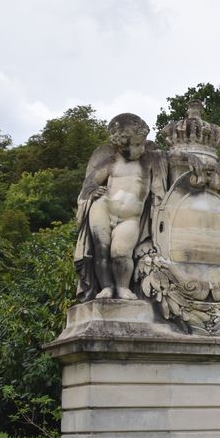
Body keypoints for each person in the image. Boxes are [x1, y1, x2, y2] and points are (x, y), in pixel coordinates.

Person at [74, 113, 167, 301]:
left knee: (121, 253)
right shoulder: (111, 161)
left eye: (142, 143)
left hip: (130, 217)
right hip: (103, 208)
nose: (140, 148)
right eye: (135, 145)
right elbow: (89, 183)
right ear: (120, 145)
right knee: (101, 250)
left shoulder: (150, 160)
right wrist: (93, 192)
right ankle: (107, 287)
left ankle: (123, 287)